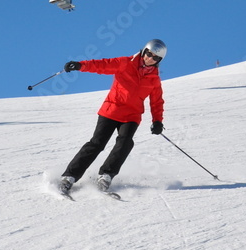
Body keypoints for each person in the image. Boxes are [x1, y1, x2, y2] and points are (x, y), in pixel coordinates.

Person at [58, 39, 166, 194]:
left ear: (159, 61)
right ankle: (69, 177)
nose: (150, 58)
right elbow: (102, 65)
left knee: (125, 142)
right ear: (144, 51)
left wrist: (157, 121)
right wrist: (81, 65)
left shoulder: (154, 79)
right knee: (97, 144)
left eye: (155, 58)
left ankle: (106, 175)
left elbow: (157, 102)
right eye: (149, 54)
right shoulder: (125, 63)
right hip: (111, 110)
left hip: (132, 115)